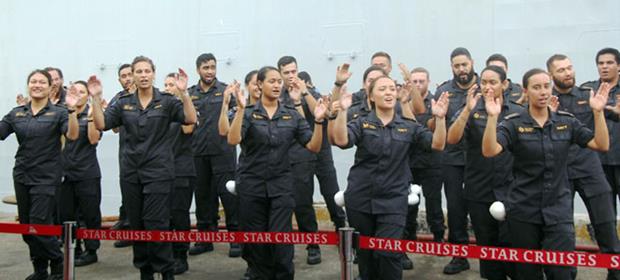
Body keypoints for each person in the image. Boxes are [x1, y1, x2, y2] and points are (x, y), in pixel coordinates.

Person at [481, 68, 611, 280]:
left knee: (561, 272)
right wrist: (492, 118)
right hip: (523, 210)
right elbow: (489, 150)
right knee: (526, 274)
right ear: (526, 91)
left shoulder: (566, 121)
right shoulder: (514, 123)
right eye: (536, 87)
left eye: (546, 86)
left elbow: (601, 144)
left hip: (558, 211)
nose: (543, 92)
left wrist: (598, 112)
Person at [332, 75, 448, 280]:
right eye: (382, 89)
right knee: (366, 255)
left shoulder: (408, 125)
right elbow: (341, 140)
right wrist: (342, 111)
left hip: (393, 200)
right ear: (371, 96)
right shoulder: (361, 123)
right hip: (361, 197)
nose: (388, 93)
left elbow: (437, 145)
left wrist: (440, 119)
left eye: (392, 89)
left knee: (389, 253)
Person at [91, 56, 197, 279]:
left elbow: (189, 119)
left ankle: (166, 270)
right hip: (131, 172)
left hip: (159, 172)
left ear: (154, 73)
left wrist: (185, 93)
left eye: (147, 71)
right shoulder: (123, 102)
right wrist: (96, 98)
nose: (143, 75)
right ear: (133, 76)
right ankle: (145, 271)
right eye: (138, 71)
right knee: (137, 223)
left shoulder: (167, 101)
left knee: (156, 223)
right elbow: (102, 124)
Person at [227, 66, 326, 279]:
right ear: (260, 84)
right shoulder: (249, 113)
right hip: (252, 185)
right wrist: (241, 110)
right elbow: (233, 139)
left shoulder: (291, 115)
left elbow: (313, 146)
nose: (276, 85)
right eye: (271, 81)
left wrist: (318, 121)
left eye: (279, 81)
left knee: (281, 241)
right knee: (254, 242)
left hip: (281, 186)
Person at [0, 69, 80, 280]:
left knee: (39, 224)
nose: (37, 85)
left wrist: (72, 111)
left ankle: (57, 262)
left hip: (47, 177)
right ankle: (40, 269)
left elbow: (72, 135)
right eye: (33, 81)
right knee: (27, 229)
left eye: (41, 82)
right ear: (28, 85)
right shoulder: (17, 113)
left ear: (49, 87)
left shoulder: (60, 112)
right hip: (22, 175)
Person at [447, 65, 524, 280]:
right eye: (484, 82)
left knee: (513, 245)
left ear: (504, 84)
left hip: (512, 190)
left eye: (493, 82)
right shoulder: (471, 109)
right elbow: (452, 139)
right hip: (479, 190)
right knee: (487, 248)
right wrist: (466, 110)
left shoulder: (518, 112)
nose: (488, 87)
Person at [548, 54, 620, 279]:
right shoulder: (546, 100)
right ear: (551, 75)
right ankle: (566, 273)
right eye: (561, 70)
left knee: (605, 223)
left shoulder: (588, 95)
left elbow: (611, 114)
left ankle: (615, 269)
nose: (568, 73)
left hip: (590, 169)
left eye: (570, 68)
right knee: (562, 228)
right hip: (561, 173)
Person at [187, 53, 241, 257]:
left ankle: (236, 239)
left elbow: (236, 119)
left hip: (223, 152)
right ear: (198, 70)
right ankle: (205, 238)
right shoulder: (191, 93)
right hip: (198, 153)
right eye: (205, 67)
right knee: (202, 197)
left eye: (212, 67)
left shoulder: (226, 91)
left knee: (229, 197)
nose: (209, 71)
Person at [434, 47, 479, 274]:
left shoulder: (486, 87)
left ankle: (492, 256)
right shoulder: (443, 91)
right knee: (455, 208)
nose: (461, 69)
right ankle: (459, 255)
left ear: (472, 63)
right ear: (452, 67)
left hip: (481, 159)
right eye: (456, 65)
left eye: (464, 64)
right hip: (452, 159)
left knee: (484, 207)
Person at [277, 55, 322, 264]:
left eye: (293, 71)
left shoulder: (307, 92)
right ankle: (284, 247)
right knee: (282, 205)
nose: (290, 76)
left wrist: (300, 96)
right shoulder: (275, 93)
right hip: (280, 156)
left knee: (303, 202)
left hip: (302, 154)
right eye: (286, 73)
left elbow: (309, 120)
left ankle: (312, 244)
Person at [402, 67, 446, 268]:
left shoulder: (436, 102)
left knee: (434, 202)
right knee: (409, 205)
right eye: (415, 81)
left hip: (431, 162)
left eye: (421, 81)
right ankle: (408, 240)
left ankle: (438, 238)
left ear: (428, 81)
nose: (418, 84)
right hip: (409, 163)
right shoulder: (402, 101)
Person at [59, 81, 103, 267]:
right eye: (74, 91)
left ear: (87, 95)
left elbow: (93, 140)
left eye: (82, 91)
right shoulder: (62, 114)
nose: (78, 94)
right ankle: (73, 249)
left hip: (87, 173)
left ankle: (91, 250)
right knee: (67, 215)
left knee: (90, 214)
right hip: (65, 173)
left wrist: (93, 114)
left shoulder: (92, 113)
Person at [298, 70, 347, 230]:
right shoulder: (284, 98)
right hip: (301, 153)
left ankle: (340, 226)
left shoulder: (313, 95)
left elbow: (324, 113)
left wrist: (305, 93)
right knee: (303, 198)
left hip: (322, 152)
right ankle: (312, 242)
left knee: (331, 192)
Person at [163, 73, 196, 275]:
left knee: (179, 215)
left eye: (171, 84)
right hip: (161, 171)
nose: (167, 88)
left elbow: (188, 129)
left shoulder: (186, 107)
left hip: (182, 171)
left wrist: (184, 95)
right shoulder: (160, 111)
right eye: (165, 85)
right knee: (163, 217)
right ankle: (167, 255)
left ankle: (181, 255)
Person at [581, 48, 620, 212]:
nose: (604, 66)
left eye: (609, 63)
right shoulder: (587, 91)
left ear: (618, 66)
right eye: (600, 63)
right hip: (597, 162)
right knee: (604, 210)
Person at [109, 63, 134, 248]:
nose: (127, 78)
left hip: (149, 154)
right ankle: (129, 229)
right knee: (128, 191)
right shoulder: (118, 99)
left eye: (129, 74)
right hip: (126, 152)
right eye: (123, 76)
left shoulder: (148, 95)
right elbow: (115, 128)